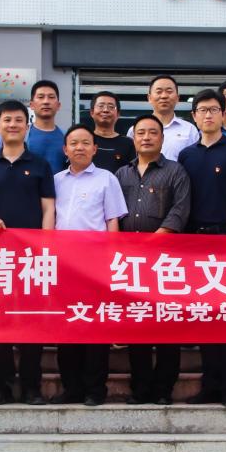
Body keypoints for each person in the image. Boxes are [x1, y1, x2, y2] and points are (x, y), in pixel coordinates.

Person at [0, 100, 55, 405]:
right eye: (7, 120)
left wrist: (45, 245)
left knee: (33, 321)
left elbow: (49, 208)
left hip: (33, 257)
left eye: (19, 120)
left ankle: (32, 387)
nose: (13, 125)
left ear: (27, 126)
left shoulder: (40, 165)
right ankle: (1, 388)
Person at [179, 89, 226, 407]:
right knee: (204, 316)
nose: (208, 115)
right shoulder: (186, 155)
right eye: (202, 110)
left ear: (223, 114)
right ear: (194, 116)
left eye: (213, 109)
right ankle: (209, 386)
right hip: (195, 241)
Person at [115, 114, 190, 405]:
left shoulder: (176, 171)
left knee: (167, 324)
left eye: (152, 133)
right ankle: (141, 388)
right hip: (131, 262)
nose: (146, 137)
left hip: (164, 261)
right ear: (133, 138)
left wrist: (154, 240)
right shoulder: (121, 174)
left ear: (162, 138)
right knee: (138, 323)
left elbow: (180, 210)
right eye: (141, 133)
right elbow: (114, 212)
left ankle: (163, 390)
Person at [52, 123, 127, 406]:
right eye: (74, 143)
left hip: (95, 265)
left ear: (95, 149)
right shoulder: (56, 180)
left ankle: (95, 389)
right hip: (64, 265)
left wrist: (112, 261)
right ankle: (71, 388)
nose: (79, 147)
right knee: (66, 327)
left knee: (96, 327)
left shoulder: (107, 179)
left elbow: (112, 220)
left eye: (85, 143)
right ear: (65, 149)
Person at [127, 75, 200, 161]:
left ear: (177, 98)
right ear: (149, 98)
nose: (164, 96)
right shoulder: (136, 130)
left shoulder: (190, 130)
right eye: (159, 92)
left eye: (169, 91)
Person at [90, 91, 136, 173]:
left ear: (118, 114)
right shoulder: (85, 140)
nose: (105, 110)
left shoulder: (128, 143)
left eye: (111, 107)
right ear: (92, 112)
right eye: (101, 106)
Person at [26, 80, 66, 173]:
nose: (46, 101)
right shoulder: (23, 135)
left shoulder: (67, 137)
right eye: (41, 97)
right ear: (31, 105)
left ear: (58, 105)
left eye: (51, 97)